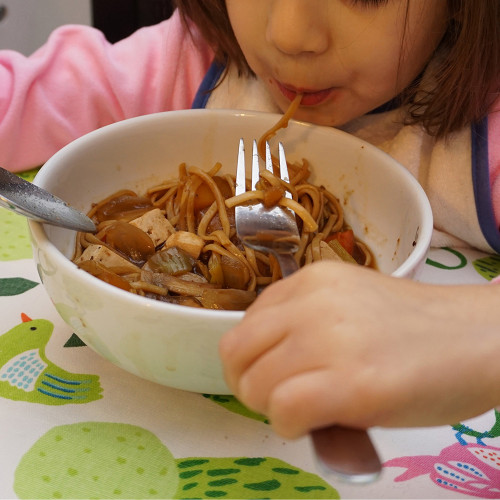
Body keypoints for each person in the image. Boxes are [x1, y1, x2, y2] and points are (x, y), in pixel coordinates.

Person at [1, 1, 500, 439]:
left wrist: (475, 329)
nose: (290, 34)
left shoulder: (482, 136)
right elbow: (19, 98)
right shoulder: (190, 60)